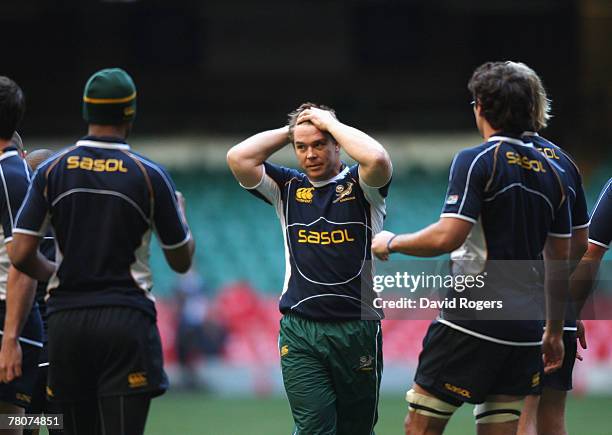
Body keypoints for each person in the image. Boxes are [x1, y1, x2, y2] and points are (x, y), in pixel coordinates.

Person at [372, 61, 571, 435]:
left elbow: (448, 236)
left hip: (474, 318)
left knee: (421, 426)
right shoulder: (554, 172)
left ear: (480, 106)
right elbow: (559, 262)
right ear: (531, 110)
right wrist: (554, 333)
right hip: (526, 328)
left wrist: (392, 242)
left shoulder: (477, 159)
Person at [4, 68, 195, 435]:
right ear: (130, 114)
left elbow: (21, 253)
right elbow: (180, 260)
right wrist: (182, 219)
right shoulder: (149, 174)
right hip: (125, 320)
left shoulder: (51, 170)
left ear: (86, 111)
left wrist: (58, 272)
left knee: (48, 424)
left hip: (66, 323)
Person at [227, 102, 392, 434]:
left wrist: (330, 123)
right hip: (301, 330)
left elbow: (377, 159)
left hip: (357, 329)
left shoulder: (363, 187)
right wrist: (293, 130)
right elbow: (238, 158)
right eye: (301, 147)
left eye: (318, 144)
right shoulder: (287, 188)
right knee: (314, 426)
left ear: (336, 145)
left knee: (355, 429)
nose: (310, 154)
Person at [517, 63, 590, 435]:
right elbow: (578, 246)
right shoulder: (565, 162)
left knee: (517, 418)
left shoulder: (486, 160)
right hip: (558, 307)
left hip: (514, 307)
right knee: (552, 418)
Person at [0, 78, 44, 435]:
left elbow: (23, 260)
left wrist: (10, 338)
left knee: (13, 425)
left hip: (7, 321)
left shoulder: (11, 175)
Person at [20, 149, 63, 435]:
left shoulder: (18, 230)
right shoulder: (71, 224)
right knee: (62, 424)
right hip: (62, 349)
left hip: (26, 346)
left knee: (20, 423)